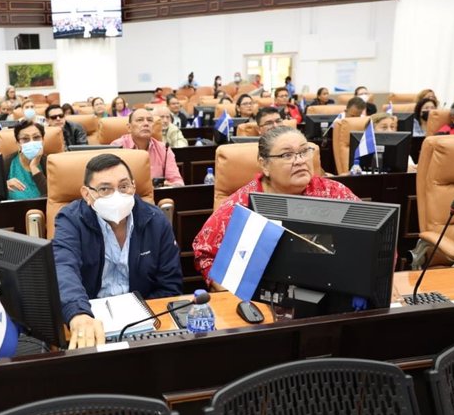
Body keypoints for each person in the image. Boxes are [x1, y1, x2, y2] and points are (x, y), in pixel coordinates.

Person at [193, 126, 358, 285]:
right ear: (264, 165)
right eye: (287, 155)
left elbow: (365, 235)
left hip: (329, 285)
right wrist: (236, 297)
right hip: (262, 296)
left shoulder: (334, 193)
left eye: (304, 151)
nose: (300, 161)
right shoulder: (241, 204)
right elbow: (205, 254)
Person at [53, 153, 183, 347]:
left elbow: (170, 285)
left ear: (134, 186)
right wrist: (78, 313)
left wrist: (141, 318)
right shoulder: (71, 220)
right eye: (105, 189)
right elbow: (63, 267)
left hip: (143, 327)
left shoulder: (155, 221)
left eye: (123, 187)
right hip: (89, 321)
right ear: (87, 194)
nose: (117, 195)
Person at [110, 108, 184, 187]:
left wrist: (170, 185)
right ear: (129, 127)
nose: (146, 123)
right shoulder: (117, 147)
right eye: (140, 120)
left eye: (149, 120)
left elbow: (177, 182)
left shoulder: (164, 149)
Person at [6, 120, 46, 200]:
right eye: (25, 139)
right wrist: (4, 186)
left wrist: (34, 167)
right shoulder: (7, 162)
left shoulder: (50, 162)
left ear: (43, 141)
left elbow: (51, 195)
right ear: (18, 144)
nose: (31, 142)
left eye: (36, 137)